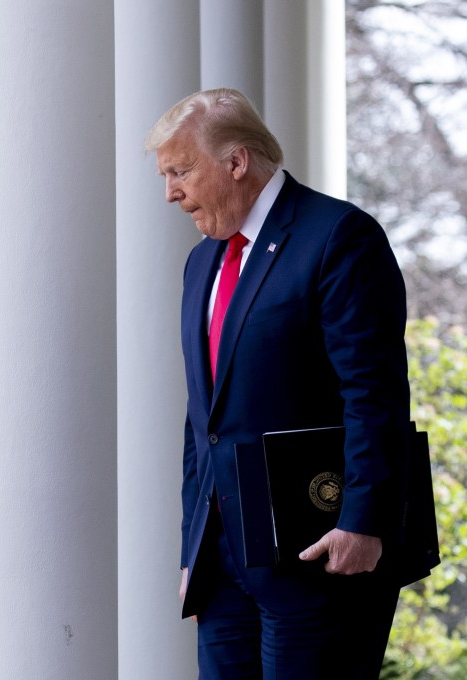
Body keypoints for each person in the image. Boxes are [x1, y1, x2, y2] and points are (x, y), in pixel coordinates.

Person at [146, 88, 415, 679]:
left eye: (181, 171)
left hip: (319, 553)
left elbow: (373, 395)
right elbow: (203, 418)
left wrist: (363, 521)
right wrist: (193, 548)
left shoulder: (338, 236)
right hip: (222, 569)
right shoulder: (202, 261)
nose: (170, 192)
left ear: (236, 162)